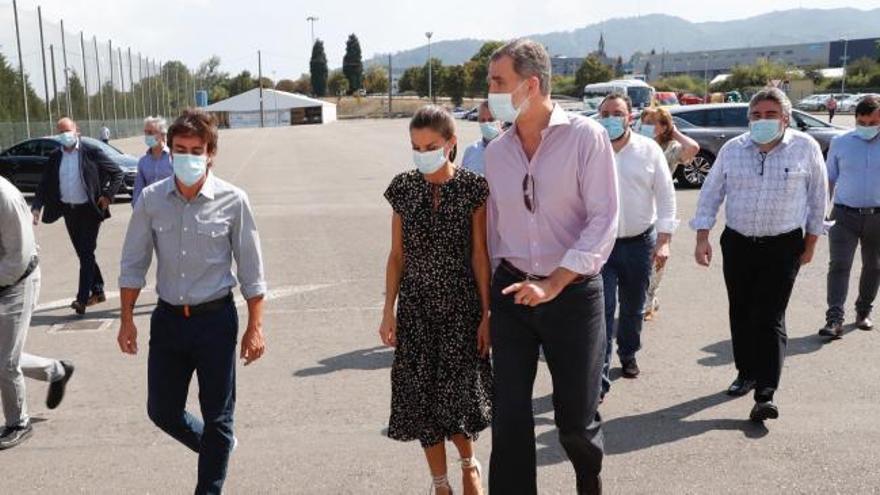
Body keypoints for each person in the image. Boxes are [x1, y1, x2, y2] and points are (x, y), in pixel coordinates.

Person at [485, 39, 618, 495]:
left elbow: (604, 219)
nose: (491, 91)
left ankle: (588, 479)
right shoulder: (496, 152)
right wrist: (487, 305)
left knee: (575, 423)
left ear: (532, 84)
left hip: (574, 294)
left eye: (498, 81)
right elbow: (493, 233)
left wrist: (556, 282)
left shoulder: (586, 137)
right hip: (511, 294)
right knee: (509, 418)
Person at [117, 108, 267, 495]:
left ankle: (210, 484)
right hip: (168, 321)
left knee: (219, 416)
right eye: (179, 149)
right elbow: (133, 262)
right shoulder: (151, 200)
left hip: (215, 321)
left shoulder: (234, 200)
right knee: (162, 411)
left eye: (195, 150)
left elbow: (252, 271)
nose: (187, 157)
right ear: (169, 152)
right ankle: (218, 449)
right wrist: (127, 319)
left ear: (210, 153)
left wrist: (255, 327)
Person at [691, 88, 827, 422]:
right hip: (738, 243)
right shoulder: (733, 149)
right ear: (748, 118)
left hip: (783, 245)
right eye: (756, 115)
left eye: (770, 115)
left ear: (786, 118)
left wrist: (810, 244)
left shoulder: (805, 148)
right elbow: (711, 193)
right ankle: (746, 371)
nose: (762, 121)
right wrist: (702, 236)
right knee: (740, 310)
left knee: (769, 316)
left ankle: (765, 392)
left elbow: (817, 199)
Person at [379, 105, 492, 495]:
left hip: (460, 309)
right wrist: (387, 311)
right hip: (416, 310)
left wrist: (486, 313)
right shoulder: (403, 188)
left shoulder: (473, 187)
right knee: (421, 399)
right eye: (415, 145)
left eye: (430, 145)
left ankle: (469, 466)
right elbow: (397, 256)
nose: (421, 152)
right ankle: (440, 484)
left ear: (450, 143)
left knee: (458, 397)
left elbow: (480, 254)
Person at [597, 94, 677, 395]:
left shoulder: (648, 151)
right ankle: (599, 376)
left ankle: (628, 352)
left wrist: (665, 240)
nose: (610, 118)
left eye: (617, 112)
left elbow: (666, 197)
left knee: (632, 308)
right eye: (604, 112)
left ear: (630, 116)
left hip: (639, 243)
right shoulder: (591, 149)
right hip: (600, 247)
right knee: (602, 310)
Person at [0, 176, 75, 450]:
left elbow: (17, 259)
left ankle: (18, 423)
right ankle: (56, 370)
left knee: (5, 362)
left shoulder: (4, 196)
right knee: (4, 358)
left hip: (17, 282)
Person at [31, 117, 123, 315]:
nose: (64, 135)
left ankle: (82, 299)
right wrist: (37, 207)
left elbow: (117, 173)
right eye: (60, 131)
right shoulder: (56, 156)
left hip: (90, 210)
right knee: (84, 253)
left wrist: (107, 196)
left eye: (67, 130)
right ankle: (97, 290)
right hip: (69, 211)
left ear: (77, 131)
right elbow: (44, 184)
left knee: (87, 252)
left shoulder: (91, 151)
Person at [821, 95, 880, 339]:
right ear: (855, 119)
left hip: (878, 217)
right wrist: (822, 209)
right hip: (844, 215)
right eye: (862, 122)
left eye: (873, 123)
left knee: (874, 266)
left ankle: (863, 311)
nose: (867, 127)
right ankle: (834, 319)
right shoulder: (840, 142)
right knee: (839, 265)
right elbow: (829, 178)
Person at [637, 106, 699, 320]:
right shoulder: (634, 143)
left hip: (659, 206)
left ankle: (649, 300)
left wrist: (674, 133)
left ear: (664, 127)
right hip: (635, 207)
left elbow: (692, 148)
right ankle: (639, 298)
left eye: (653, 121)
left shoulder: (671, 147)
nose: (647, 125)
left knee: (657, 258)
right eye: (644, 120)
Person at [133, 116, 173, 205]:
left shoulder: (173, 158)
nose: (147, 136)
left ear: (162, 134)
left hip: (172, 209)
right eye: (146, 133)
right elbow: (138, 190)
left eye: (150, 132)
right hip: (150, 210)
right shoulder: (143, 162)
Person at [461, 101, 503, 175]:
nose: (486, 123)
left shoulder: (513, 151)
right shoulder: (471, 151)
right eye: (482, 120)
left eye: (491, 120)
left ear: (501, 121)